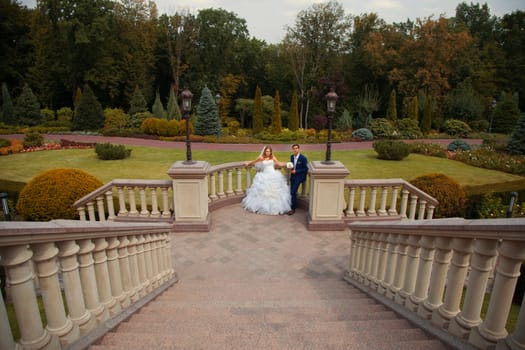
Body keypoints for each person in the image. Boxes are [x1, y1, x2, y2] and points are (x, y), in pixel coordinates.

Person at [242, 146, 292, 215]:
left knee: (275, 192)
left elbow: (279, 164)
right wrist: (248, 164)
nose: (268, 152)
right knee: (264, 192)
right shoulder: (261, 158)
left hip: (274, 175)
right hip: (264, 175)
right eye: (267, 151)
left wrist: (287, 164)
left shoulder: (273, 157)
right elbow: (253, 162)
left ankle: (275, 208)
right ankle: (261, 207)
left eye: (269, 151)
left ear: (271, 152)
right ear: (264, 151)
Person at [287, 144, 308, 215]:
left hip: (299, 177)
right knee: (292, 192)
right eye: (294, 148)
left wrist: (296, 171)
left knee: (293, 192)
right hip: (292, 176)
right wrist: (291, 168)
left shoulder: (303, 158)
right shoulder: (291, 157)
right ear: (292, 149)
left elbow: (305, 169)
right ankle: (293, 205)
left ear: (299, 149)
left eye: (296, 148)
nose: (295, 150)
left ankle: (293, 209)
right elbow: (292, 165)